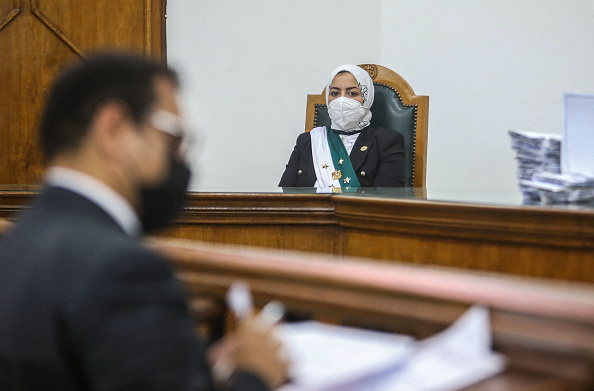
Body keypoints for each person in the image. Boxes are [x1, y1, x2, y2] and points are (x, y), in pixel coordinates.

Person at [0, 53, 287, 390]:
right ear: (114, 129)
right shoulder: (124, 269)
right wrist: (256, 374)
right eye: (174, 138)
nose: (181, 158)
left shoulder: (17, 242)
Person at [279, 64, 405, 191]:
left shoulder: (386, 141)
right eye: (335, 93)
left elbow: (386, 201)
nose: (341, 100)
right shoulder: (308, 141)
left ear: (366, 98)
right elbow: (285, 196)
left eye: (352, 93)